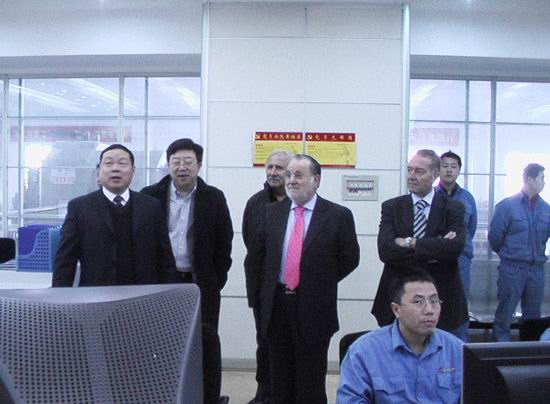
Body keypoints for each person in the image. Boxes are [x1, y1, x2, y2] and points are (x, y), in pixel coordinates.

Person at [254, 154, 360, 404]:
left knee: (310, 382)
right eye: (289, 175)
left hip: (315, 307)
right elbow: (259, 258)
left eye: (298, 175)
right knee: (279, 381)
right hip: (277, 306)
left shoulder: (337, 215)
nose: (291, 180)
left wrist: (317, 282)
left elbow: (349, 259)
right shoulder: (271, 213)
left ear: (316, 180)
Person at [141, 138, 233, 404]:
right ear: (168, 164)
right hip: (161, 282)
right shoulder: (150, 196)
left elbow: (224, 243)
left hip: (200, 283)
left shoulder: (214, 197)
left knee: (205, 342)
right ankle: (161, 394)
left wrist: (214, 280)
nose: (182, 167)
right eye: (176, 162)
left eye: (188, 162)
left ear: (199, 165)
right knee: (159, 341)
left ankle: (207, 397)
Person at [372, 149, 468, 335]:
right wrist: (435, 247)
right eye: (409, 170)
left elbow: (454, 248)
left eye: (419, 171)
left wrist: (410, 242)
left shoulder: (453, 208)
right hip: (398, 293)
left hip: (442, 295)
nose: (411, 176)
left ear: (435, 174)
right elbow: (386, 251)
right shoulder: (392, 207)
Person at [53, 144, 176, 286]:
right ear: (98, 171)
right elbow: (65, 259)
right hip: (96, 293)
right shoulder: (80, 207)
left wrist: (169, 292)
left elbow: (165, 257)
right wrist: (60, 294)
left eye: (122, 163)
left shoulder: (151, 206)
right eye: (109, 163)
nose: (115, 168)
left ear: (133, 171)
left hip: (143, 293)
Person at [337, 271, 463, 404]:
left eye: (434, 301)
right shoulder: (364, 351)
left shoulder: (457, 350)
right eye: (418, 302)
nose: (429, 310)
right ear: (396, 309)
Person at [242, 149, 292, 404]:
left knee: (292, 345)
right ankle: (264, 393)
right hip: (264, 289)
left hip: (294, 289)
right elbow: (251, 244)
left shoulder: (301, 203)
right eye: (270, 167)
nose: (273, 172)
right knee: (265, 343)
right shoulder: (256, 203)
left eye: (279, 168)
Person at [488, 163, 550, 342]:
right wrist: (510, 255)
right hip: (512, 268)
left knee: (533, 318)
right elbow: (495, 238)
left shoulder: (546, 209)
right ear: (530, 179)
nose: (544, 182)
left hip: (536, 270)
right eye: (542, 178)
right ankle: (501, 352)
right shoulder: (507, 206)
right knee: (505, 314)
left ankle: (529, 353)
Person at [435, 150, 477, 341]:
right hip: (435, 259)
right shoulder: (430, 196)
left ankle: (459, 348)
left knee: (460, 305)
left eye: (453, 166)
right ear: (438, 170)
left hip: (461, 260)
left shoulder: (467, 198)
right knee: (435, 302)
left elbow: (470, 229)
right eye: (444, 166)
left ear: (459, 170)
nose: (449, 170)